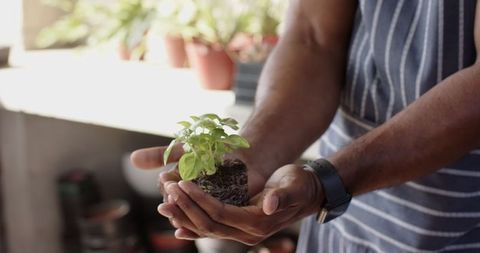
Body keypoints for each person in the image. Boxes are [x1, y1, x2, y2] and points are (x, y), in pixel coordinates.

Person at [131, 0, 480, 252]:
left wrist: (326, 182)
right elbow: (312, 37)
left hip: (456, 230)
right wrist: (255, 152)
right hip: (341, 223)